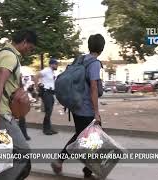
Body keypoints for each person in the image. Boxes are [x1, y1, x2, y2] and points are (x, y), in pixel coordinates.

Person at [0, 29, 37, 180]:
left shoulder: (6, 54)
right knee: (23, 151)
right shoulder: (9, 57)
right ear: (24, 41)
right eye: (30, 47)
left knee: (0, 154)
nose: (29, 51)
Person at [51, 34, 105, 179]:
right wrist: (96, 112)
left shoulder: (81, 59)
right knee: (89, 139)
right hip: (86, 108)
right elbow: (94, 87)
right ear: (102, 48)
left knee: (83, 137)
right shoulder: (94, 63)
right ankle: (62, 162)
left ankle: (85, 170)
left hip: (76, 106)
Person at [34, 58, 59, 135]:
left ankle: (49, 128)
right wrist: (37, 87)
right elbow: (36, 76)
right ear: (51, 64)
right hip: (46, 92)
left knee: (49, 111)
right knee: (48, 111)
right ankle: (46, 129)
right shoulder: (47, 70)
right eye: (56, 64)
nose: (57, 66)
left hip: (50, 93)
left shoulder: (51, 72)